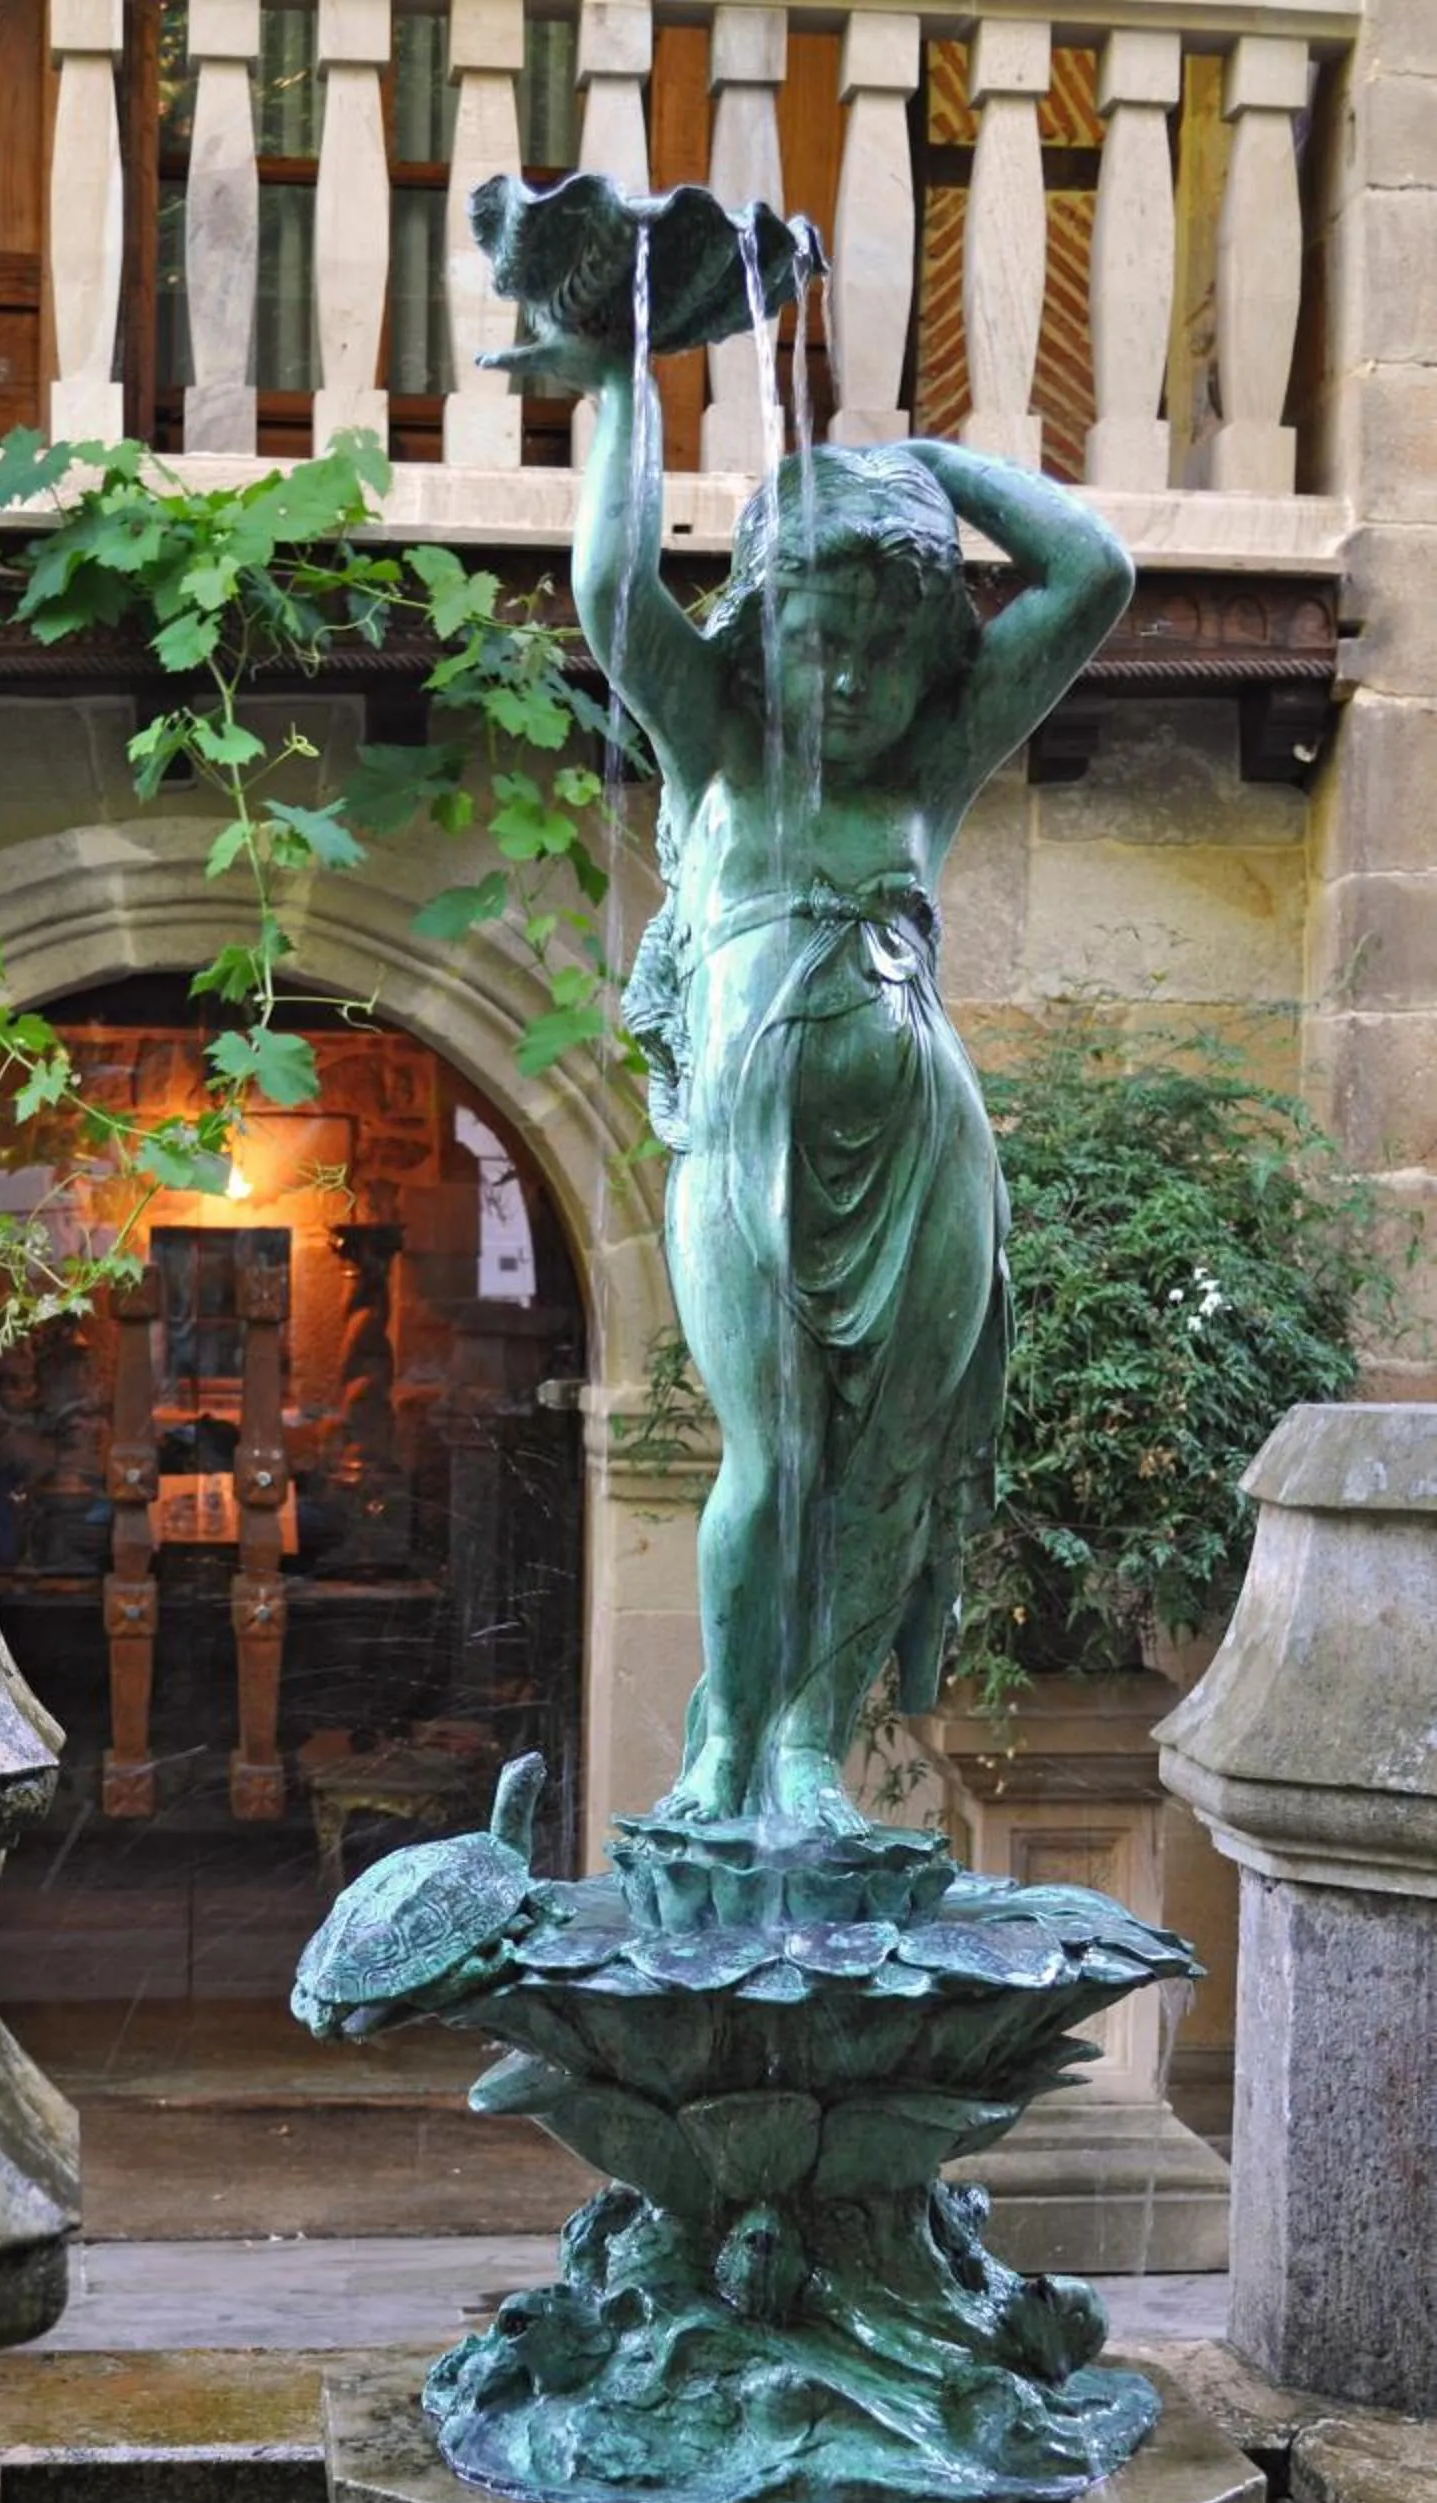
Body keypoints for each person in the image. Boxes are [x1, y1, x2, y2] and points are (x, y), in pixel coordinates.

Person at [491, 324, 1133, 1830]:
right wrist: (624, 391)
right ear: (761, 636)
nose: (848, 680)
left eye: (889, 647)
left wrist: (926, 469)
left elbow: (1093, 573)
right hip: (744, 1160)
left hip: (925, 1158)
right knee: (771, 1467)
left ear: (934, 657)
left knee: (888, 1476)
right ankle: (722, 1748)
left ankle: (804, 1753)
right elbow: (610, 595)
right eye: (815, 641)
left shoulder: (933, 770)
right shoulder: (717, 750)